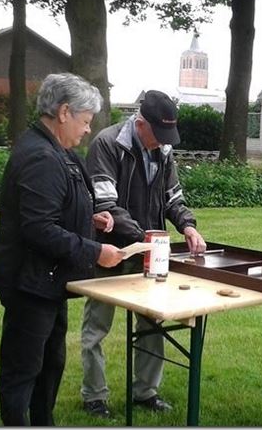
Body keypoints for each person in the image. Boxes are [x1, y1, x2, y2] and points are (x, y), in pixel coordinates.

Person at [0, 73, 125, 426]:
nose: (87, 131)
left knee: (50, 362)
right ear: (64, 112)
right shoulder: (41, 157)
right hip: (29, 282)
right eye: (85, 121)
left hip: (50, 281)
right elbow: (39, 229)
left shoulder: (59, 152)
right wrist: (95, 252)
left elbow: (57, 206)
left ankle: (42, 421)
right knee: (24, 367)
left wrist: (91, 217)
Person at [80, 90, 206, 417]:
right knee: (97, 326)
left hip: (149, 251)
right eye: (158, 134)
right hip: (110, 250)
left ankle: (145, 392)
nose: (163, 142)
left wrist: (188, 226)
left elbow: (173, 198)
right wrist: (144, 236)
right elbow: (106, 204)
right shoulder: (107, 145)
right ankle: (94, 396)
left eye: (168, 136)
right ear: (140, 124)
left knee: (153, 323)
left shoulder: (163, 150)